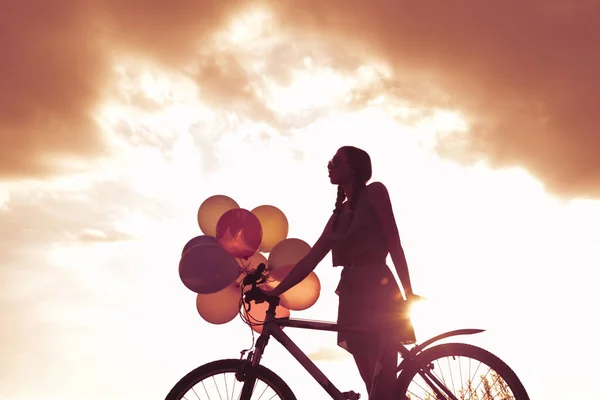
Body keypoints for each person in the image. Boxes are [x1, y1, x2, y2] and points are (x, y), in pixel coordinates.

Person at [261, 145, 418, 399]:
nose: (330, 165)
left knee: (385, 381)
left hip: (378, 289)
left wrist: (409, 291)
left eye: (337, 160)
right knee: (372, 386)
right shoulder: (338, 216)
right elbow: (309, 260)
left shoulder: (375, 192)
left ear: (354, 168)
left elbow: (393, 241)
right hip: (351, 292)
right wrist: (274, 291)